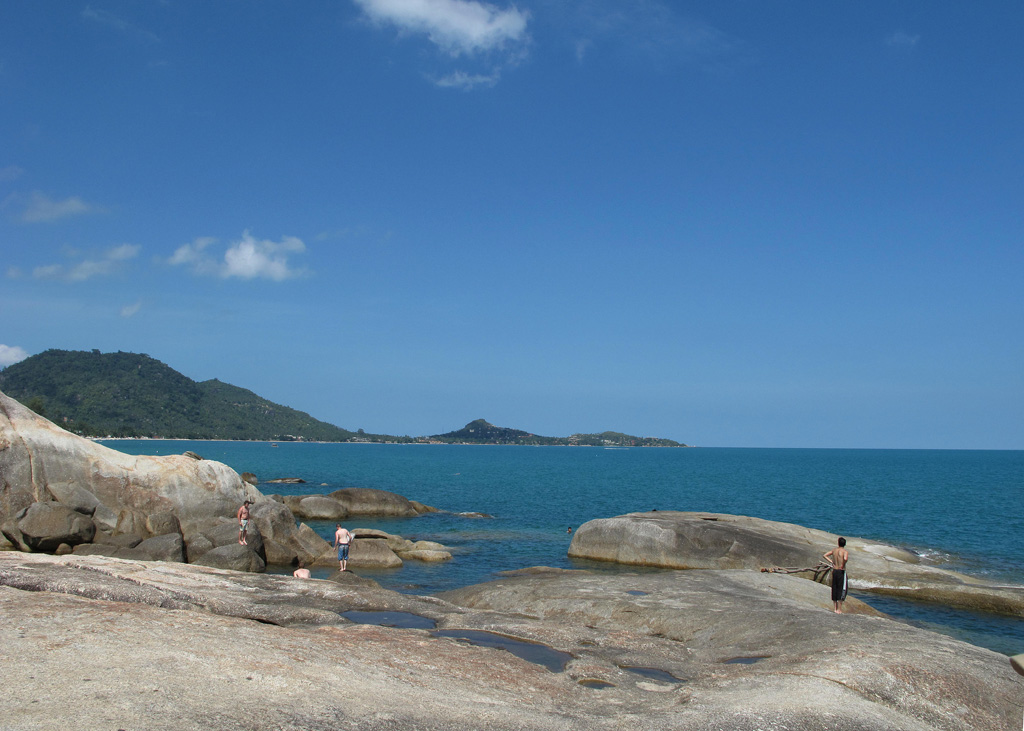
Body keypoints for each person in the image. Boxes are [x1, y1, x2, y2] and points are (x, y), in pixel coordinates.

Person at [823, 537, 849, 613]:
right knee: (841, 588)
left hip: (835, 570)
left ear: (838, 543)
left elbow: (825, 555)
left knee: (834, 587)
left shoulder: (834, 550)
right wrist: (843, 565)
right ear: (845, 544)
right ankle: (839, 609)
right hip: (841, 571)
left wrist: (832, 562)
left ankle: (835, 608)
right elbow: (845, 558)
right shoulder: (845, 551)